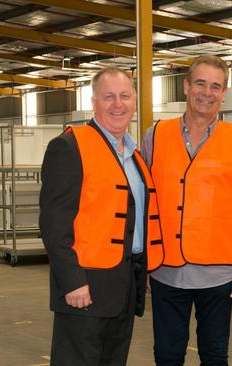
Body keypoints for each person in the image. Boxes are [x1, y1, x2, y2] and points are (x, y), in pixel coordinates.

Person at [142, 55, 232, 366]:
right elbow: (143, 203)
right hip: (166, 271)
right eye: (200, 83)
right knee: (167, 356)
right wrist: (141, 263)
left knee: (214, 357)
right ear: (186, 87)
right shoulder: (154, 136)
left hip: (219, 276)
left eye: (216, 86)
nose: (207, 92)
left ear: (224, 94)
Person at [40, 66, 164, 366]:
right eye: (108, 97)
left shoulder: (135, 157)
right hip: (84, 288)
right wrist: (72, 282)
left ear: (134, 101)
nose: (117, 104)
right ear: (94, 101)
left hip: (123, 287)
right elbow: (54, 223)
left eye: (124, 96)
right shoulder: (69, 146)